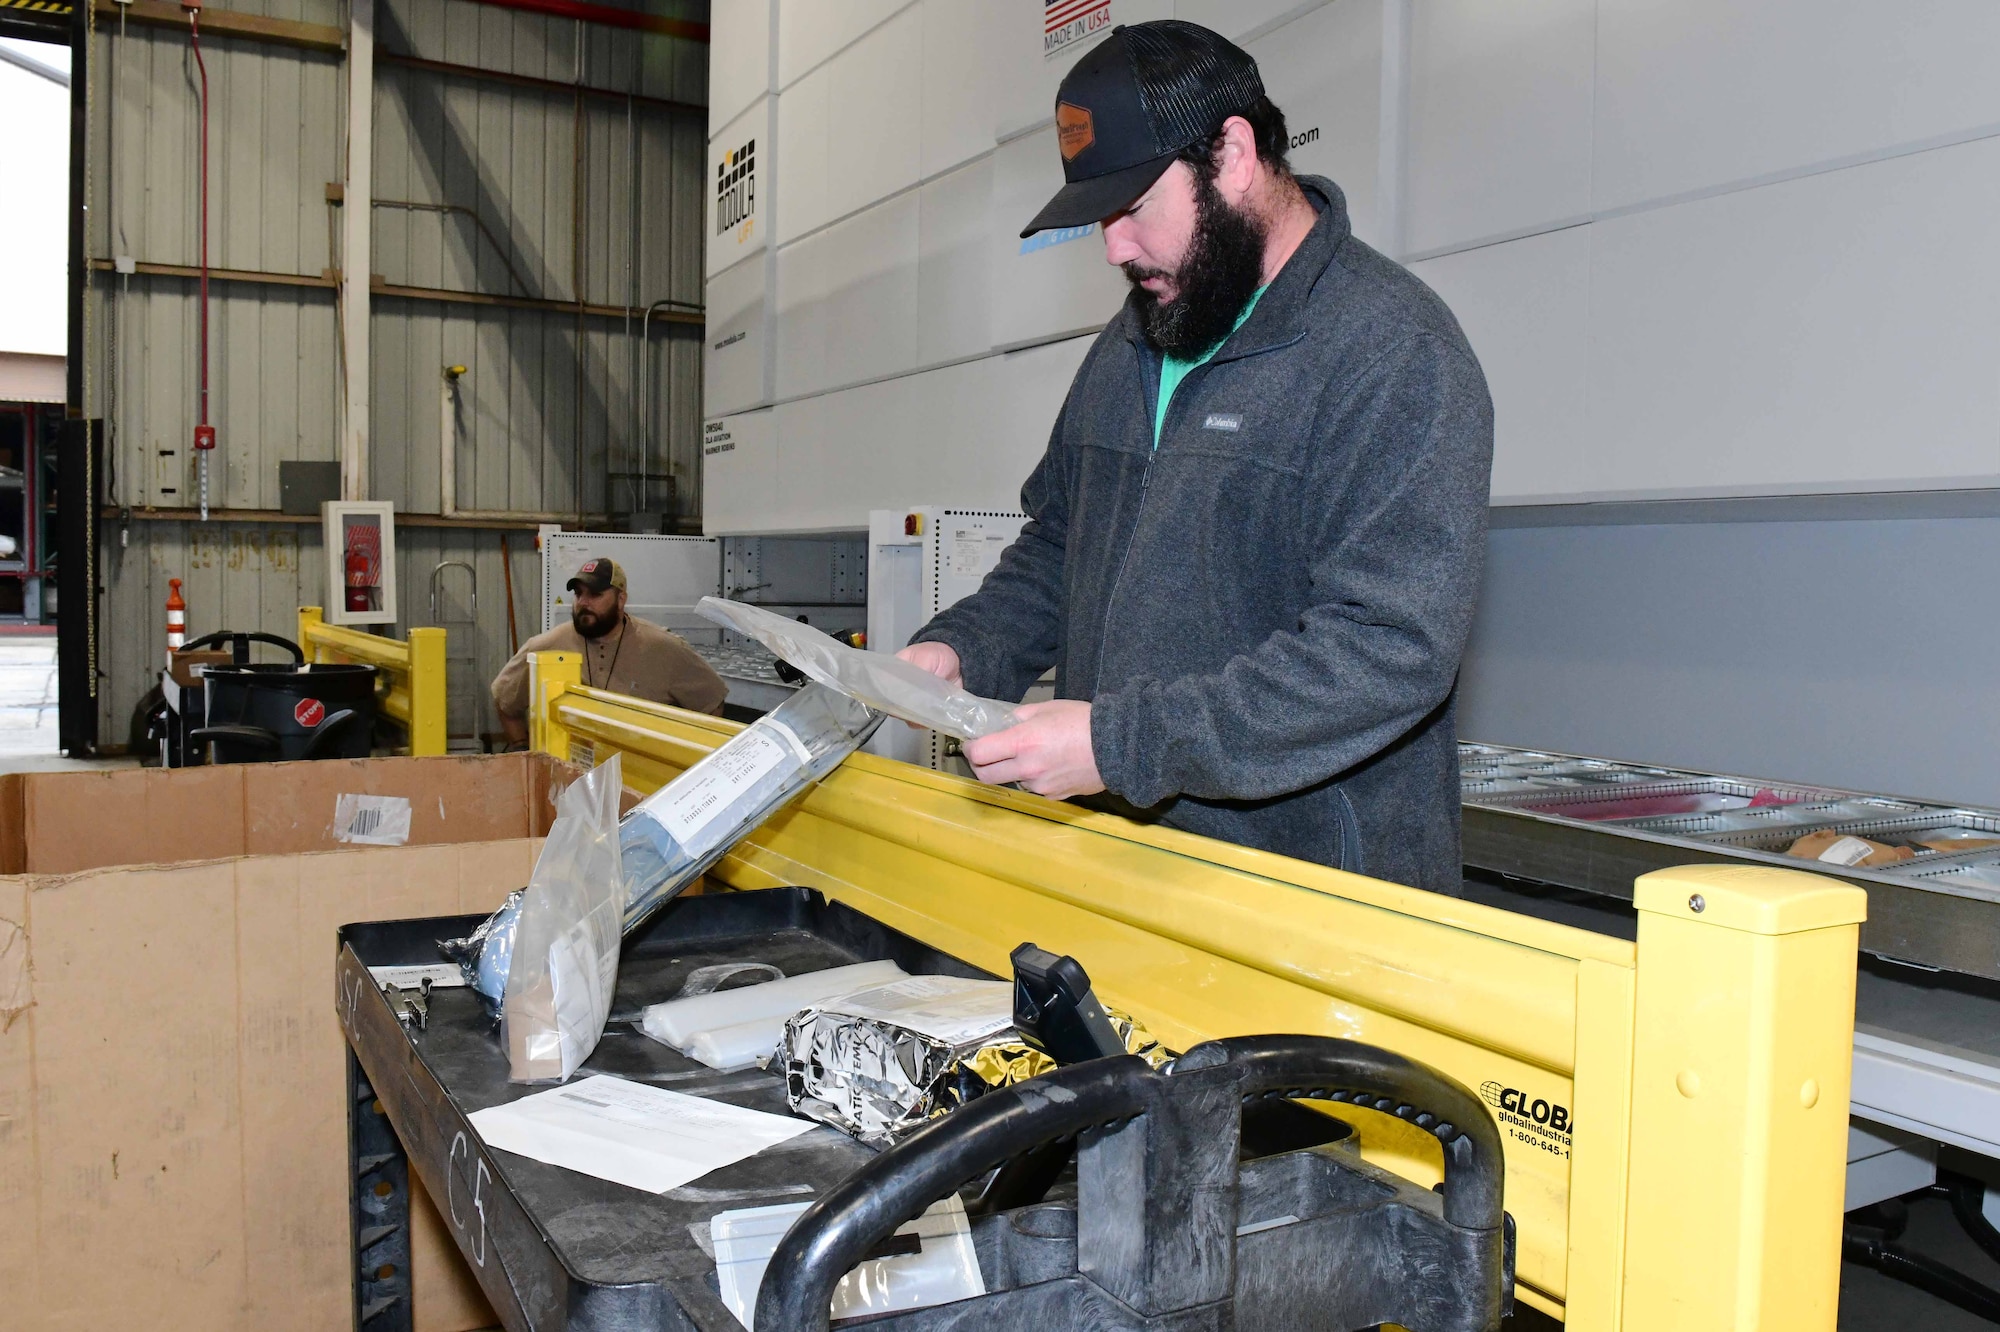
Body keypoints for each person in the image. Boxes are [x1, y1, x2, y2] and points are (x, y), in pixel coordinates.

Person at [898, 21, 1493, 894]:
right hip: (1133, 874)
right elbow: (1062, 545)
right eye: (1100, 216)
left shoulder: (1392, 351)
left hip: (1314, 904)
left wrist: (1119, 745)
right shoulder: (1134, 341)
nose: (1114, 248)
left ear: (1235, 156)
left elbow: (1387, 649)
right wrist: (961, 648)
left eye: (1134, 207)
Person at [492, 557, 726, 743]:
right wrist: (520, 747)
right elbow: (504, 700)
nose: (583, 602)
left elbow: (712, 704)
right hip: (568, 779)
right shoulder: (546, 647)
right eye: (579, 594)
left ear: (621, 599)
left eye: (594, 595)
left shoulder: (664, 649)